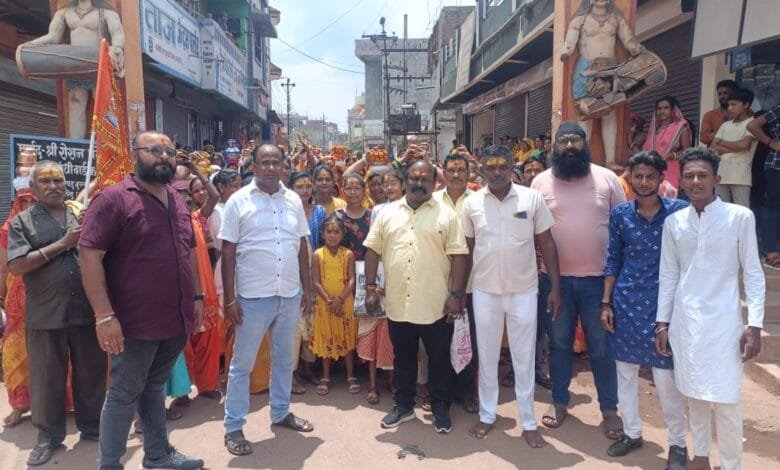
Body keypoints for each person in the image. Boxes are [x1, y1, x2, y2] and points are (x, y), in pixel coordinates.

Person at [80, 131, 204, 470]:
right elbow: (89, 256)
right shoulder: (113, 199)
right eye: (154, 150)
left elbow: (189, 251)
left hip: (175, 318)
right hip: (134, 322)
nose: (164, 156)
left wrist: (197, 296)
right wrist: (104, 315)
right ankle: (110, 464)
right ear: (135, 154)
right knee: (124, 392)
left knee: (153, 387)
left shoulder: (177, 199)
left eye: (170, 151)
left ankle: (157, 455)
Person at [656, 147, 765, 470]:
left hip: (725, 323)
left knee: (727, 399)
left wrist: (754, 325)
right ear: (681, 181)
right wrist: (662, 323)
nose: (695, 181)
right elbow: (669, 274)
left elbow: (753, 273)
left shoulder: (739, 217)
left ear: (716, 179)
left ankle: (731, 465)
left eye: (702, 175)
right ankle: (701, 456)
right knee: (694, 394)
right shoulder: (674, 222)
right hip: (686, 323)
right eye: (689, 176)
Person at [6, 161, 105, 467]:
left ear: (66, 184)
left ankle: (93, 427)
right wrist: (63, 244)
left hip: (86, 309)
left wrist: (95, 228)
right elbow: (16, 265)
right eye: (45, 182)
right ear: (33, 189)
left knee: (92, 372)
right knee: (47, 378)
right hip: (46, 312)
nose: (53, 186)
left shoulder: (81, 213)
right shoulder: (22, 222)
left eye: (58, 181)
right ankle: (48, 436)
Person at [531, 121, 626, 438]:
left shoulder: (607, 179)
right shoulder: (540, 182)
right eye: (564, 141)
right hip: (555, 283)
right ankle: (559, 402)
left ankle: (609, 410)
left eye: (576, 140)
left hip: (599, 283)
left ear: (585, 144)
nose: (569, 146)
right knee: (559, 344)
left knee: (601, 348)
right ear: (554, 146)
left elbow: (622, 227)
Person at [462, 145, 561, 448]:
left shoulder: (531, 198)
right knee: (487, 355)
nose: (496, 172)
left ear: (511, 167)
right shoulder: (472, 202)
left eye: (502, 166)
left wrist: (556, 287)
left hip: (524, 291)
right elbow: (466, 251)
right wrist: (459, 292)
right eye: (490, 167)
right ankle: (487, 414)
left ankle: (528, 421)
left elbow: (547, 242)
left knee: (523, 357)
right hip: (485, 291)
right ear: (481, 169)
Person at [220, 144, 314, 457]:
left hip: (289, 294)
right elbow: (228, 251)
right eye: (265, 162)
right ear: (254, 166)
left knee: (285, 360)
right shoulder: (238, 201)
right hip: (252, 297)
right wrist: (230, 299)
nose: (271, 168)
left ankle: (281, 412)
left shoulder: (293, 200)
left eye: (276, 162)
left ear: (284, 165)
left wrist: (307, 289)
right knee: (242, 365)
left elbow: (301, 245)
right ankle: (234, 425)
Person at [363, 161, 468, 434]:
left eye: (425, 179)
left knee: (439, 359)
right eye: (413, 178)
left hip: (435, 304)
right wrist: (371, 288)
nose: (418, 183)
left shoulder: (447, 215)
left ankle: (440, 407)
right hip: (398, 302)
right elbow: (372, 250)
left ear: (434, 183)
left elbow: (459, 255)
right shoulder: (387, 213)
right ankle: (404, 406)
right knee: (403, 358)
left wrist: (456, 294)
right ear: (405, 180)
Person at [600, 151, 689, 468]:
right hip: (626, 302)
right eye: (638, 176)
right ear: (630, 178)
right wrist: (606, 303)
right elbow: (613, 258)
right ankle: (632, 432)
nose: (644, 182)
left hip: (665, 306)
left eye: (651, 176)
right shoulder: (621, 214)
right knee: (625, 374)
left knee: (666, 379)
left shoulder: (679, 211)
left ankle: (678, 444)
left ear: (662, 178)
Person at [433, 152, 478, 414]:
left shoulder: (479, 200)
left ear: (469, 173)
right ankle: (443, 392)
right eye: (451, 170)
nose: (457, 175)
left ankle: (467, 392)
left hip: (471, 284)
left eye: (462, 170)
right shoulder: (432, 201)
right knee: (440, 342)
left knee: (469, 340)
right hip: (439, 282)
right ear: (444, 172)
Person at [357, 169, 402, 405]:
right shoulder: (379, 210)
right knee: (373, 330)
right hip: (381, 270)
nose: (389, 188)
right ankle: (373, 384)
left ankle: (393, 380)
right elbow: (374, 246)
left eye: (394, 183)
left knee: (393, 334)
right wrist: (373, 285)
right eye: (386, 184)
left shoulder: (412, 207)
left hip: (401, 274)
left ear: (403, 185)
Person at [0, 186, 36, 428]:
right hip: (17, 302)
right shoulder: (8, 229)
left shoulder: (53, 226)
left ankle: (59, 402)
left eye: (33, 202)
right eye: (24, 202)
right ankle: (20, 405)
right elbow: (3, 269)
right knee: (16, 351)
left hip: (47, 297)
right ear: (17, 204)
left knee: (53, 351)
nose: (29, 207)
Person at [310, 215, 358, 395]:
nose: (332, 235)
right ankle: (326, 376)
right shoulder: (317, 254)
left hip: (344, 302)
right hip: (325, 304)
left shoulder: (348, 254)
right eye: (328, 231)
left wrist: (340, 300)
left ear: (343, 234)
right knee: (326, 336)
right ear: (322, 234)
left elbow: (352, 279)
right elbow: (316, 281)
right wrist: (330, 301)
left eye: (336, 231)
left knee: (346, 337)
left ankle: (350, 376)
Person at [710, 88, 757, 208]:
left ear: (746, 105)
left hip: (740, 176)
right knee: (720, 210)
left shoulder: (752, 124)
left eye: (734, 104)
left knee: (742, 211)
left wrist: (722, 142)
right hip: (721, 174)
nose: (730, 108)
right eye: (729, 105)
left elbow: (744, 145)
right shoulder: (725, 125)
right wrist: (737, 147)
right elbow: (713, 147)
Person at [747, 103, 780, 269]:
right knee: (773, 207)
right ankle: (771, 252)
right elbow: (752, 125)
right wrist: (770, 142)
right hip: (777, 166)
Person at [642, 95, 692, 189]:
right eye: (659, 108)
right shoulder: (653, 131)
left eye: (666, 108)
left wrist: (671, 155)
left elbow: (688, 153)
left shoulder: (680, 128)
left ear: (672, 110)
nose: (662, 111)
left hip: (671, 171)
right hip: (652, 172)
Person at [700, 79, 738, 146]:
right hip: (715, 151)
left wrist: (714, 134)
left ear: (733, 93)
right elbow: (704, 138)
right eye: (719, 94)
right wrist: (725, 131)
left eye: (725, 93)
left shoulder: (742, 112)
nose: (722, 96)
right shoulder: (709, 115)